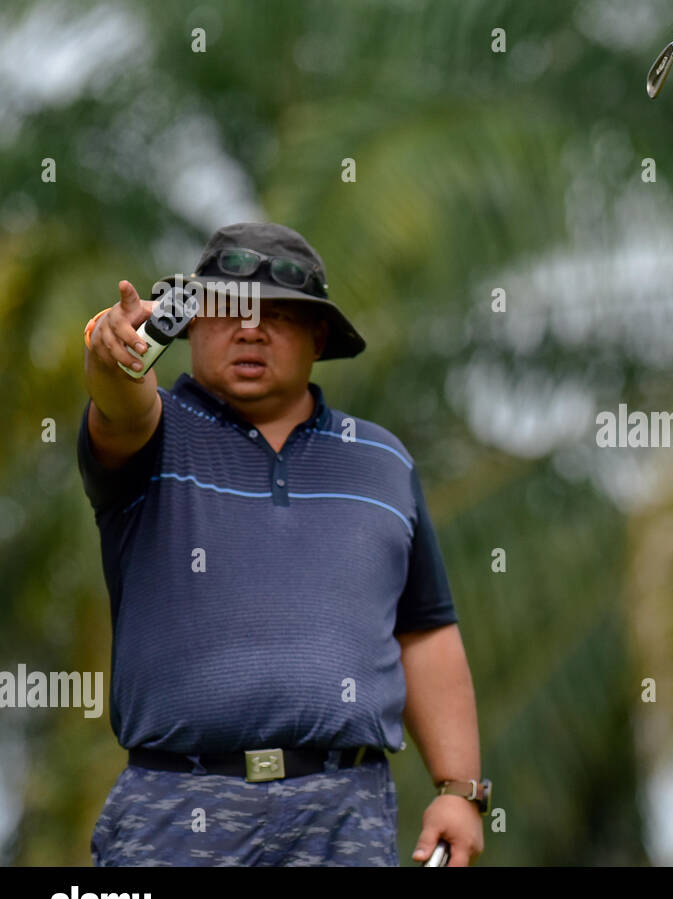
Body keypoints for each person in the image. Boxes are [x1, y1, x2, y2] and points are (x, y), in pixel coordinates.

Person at [78, 221, 489, 866]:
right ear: (188, 326)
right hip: (177, 813)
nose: (251, 329)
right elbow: (121, 401)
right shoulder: (151, 433)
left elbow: (425, 631)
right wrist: (117, 357)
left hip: (346, 816)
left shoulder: (381, 460)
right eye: (229, 310)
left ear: (317, 336)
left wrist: (460, 790)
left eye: (279, 315)